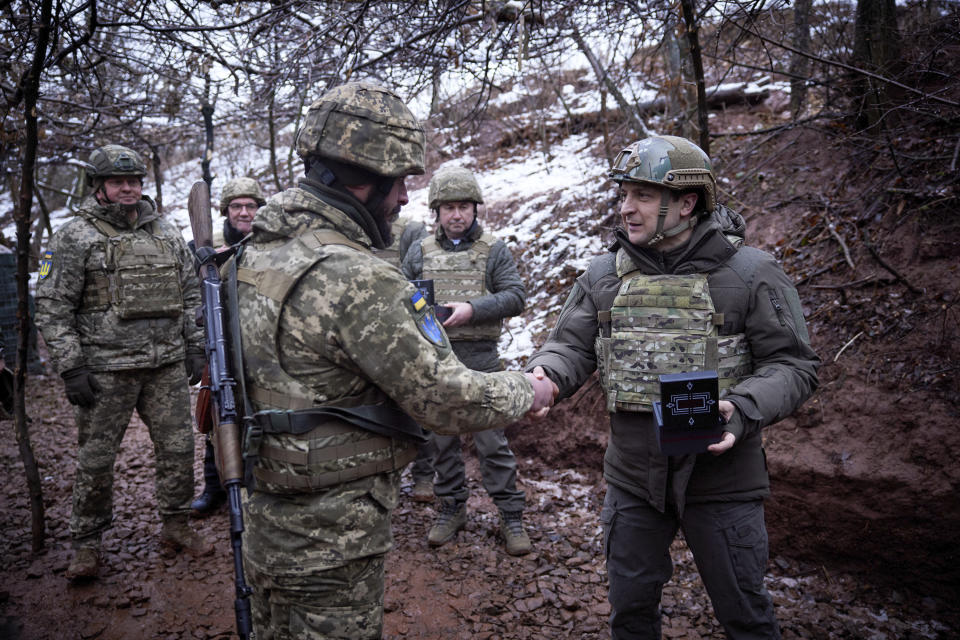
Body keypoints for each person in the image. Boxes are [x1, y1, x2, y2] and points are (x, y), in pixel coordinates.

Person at [233, 81, 556, 639]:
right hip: (333, 533)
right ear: (365, 177)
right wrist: (529, 389)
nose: (406, 197)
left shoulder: (255, 253)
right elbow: (446, 400)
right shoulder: (356, 276)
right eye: (400, 181)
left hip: (267, 516)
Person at [525, 135, 820, 639]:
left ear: (687, 202)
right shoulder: (603, 275)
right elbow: (570, 346)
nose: (626, 209)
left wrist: (742, 407)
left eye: (642, 195)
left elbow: (794, 365)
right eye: (623, 195)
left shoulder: (751, 274)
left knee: (746, 617)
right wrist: (544, 376)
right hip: (634, 479)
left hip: (724, 478)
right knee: (631, 615)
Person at [35, 144, 212, 582]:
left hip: (165, 364)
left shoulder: (166, 233)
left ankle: (176, 525)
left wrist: (195, 346)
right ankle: (87, 545)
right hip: (105, 369)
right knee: (95, 460)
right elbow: (52, 306)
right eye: (118, 182)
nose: (128, 188)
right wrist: (71, 366)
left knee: (177, 450)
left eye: (134, 181)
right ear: (100, 187)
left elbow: (191, 294)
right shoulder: (74, 237)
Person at [402, 166, 531, 555]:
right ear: (436, 212)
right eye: (448, 208)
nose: (456, 215)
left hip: (481, 359)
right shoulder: (419, 250)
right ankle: (451, 508)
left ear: (475, 209)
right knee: (442, 442)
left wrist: (473, 309)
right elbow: (400, 293)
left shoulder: (493, 250)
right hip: (437, 359)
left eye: (463, 207)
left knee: (492, 441)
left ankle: (511, 516)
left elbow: (515, 296)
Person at [190, 176, 266, 517]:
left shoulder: (270, 244)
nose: (244, 212)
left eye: (251, 206)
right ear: (225, 210)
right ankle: (214, 486)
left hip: (258, 343)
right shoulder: (206, 245)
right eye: (237, 206)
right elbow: (189, 299)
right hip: (220, 344)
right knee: (215, 413)